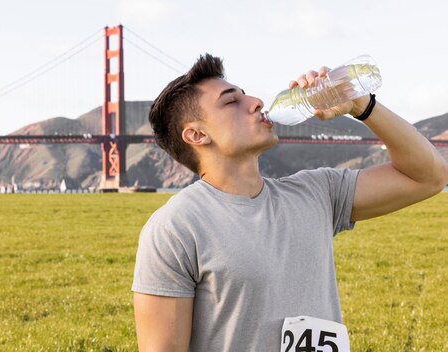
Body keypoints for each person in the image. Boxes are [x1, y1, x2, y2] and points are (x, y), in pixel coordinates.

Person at [131, 54, 448, 351]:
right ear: (197, 135)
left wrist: (361, 105)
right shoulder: (174, 228)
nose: (256, 102)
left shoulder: (317, 192)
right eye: (232, 101)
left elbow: (429, 176)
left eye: (247, 95)